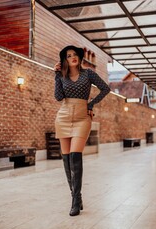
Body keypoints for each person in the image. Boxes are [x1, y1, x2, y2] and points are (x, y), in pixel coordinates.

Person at [54, 45, 110, 216]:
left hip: (82, 117)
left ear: (79, 56)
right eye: (68, 55)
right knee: (66, 160)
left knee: (75, 156)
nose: (72, 57)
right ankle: (76, 198)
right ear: (65, 59)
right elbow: (58, 97)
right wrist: (56, 76)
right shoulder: (62, 75)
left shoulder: (88, 73)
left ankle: (75, 201)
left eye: (75, 54)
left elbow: (105, 88)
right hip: (63, 116)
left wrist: (91, 104)